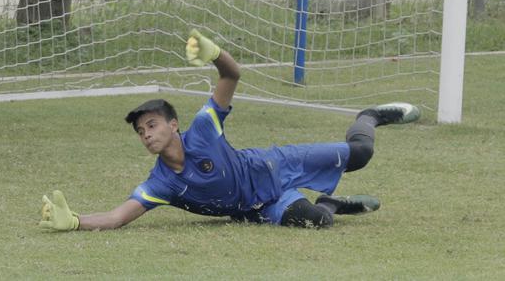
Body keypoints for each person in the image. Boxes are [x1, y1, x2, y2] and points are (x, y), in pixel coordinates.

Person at [39, 29, 420, 230]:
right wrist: (74, 222)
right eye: (141, 132)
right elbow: (117, 217)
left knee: (362, 154)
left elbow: (232, 74)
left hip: (274, 167)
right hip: (260, 206)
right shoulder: (160, 185)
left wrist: (215, 53)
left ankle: (370, 115)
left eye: (152, 125)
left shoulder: (203, 129)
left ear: (174, 125)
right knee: (318, 221)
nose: (147, 134)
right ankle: (333, 203)